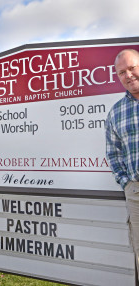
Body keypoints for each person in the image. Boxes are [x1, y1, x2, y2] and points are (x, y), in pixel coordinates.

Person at [105, 48, 139, 278]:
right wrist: (127, 184)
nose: (128, 75)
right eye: (121, 72)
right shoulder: (116, 112)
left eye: (132, 68)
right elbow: (113, 153)